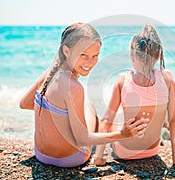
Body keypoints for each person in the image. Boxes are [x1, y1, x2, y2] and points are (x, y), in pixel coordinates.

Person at [19, 23, 148, 168]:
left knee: (81, 107)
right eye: (83, 55)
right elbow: (82, 139)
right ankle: (98, 156)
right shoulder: (73, 87)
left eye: (95, 56)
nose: (90, 62)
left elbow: (24, 103)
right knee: (90, 108)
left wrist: (58, 118)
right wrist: (123, 134)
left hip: (41, 154)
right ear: (66, 51)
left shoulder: (50, 74)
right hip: (68, 159)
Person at [92, 25, 175, 166]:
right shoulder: (167, 78)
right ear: (159, 56)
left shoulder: (123, 79)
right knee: (164, 114)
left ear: (132, 56)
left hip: (125, 152)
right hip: (152, 151)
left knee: (104, 118)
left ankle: (93, 149)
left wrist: (99, 157)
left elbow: (107, 120)